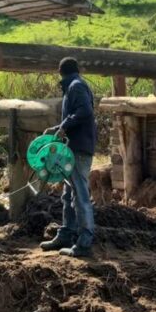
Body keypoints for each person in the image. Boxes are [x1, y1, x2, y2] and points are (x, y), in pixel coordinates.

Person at [40, 57, 96, 258]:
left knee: (80, 195)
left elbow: (85, 112)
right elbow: (77, 115)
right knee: (68, 193)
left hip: (79, 149)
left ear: (60, 71)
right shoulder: (75, 85)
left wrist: (63, 126)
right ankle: (66, 234)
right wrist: (57, 128)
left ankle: (84, 242)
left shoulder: (75, 86)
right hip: (74, 148)